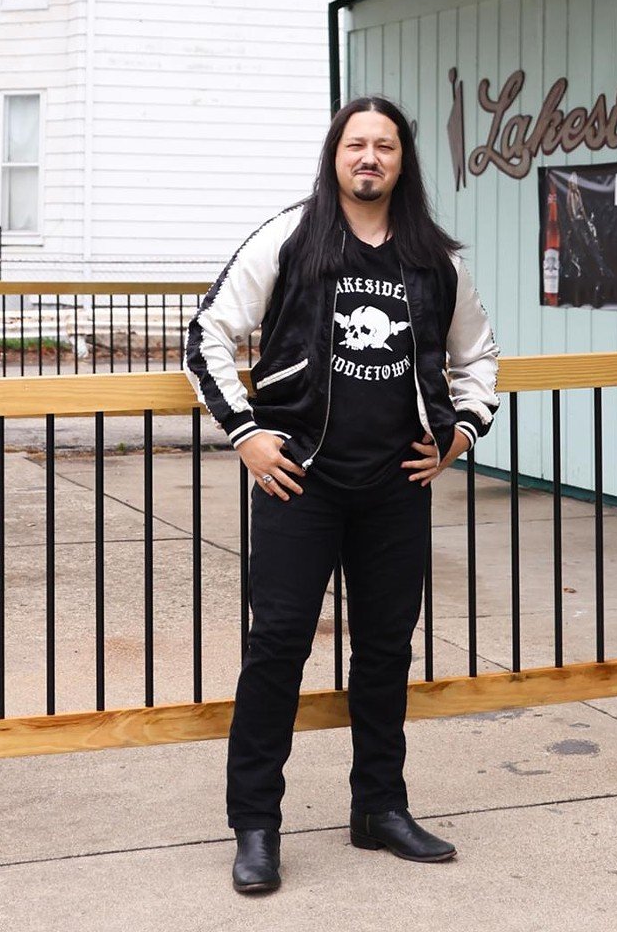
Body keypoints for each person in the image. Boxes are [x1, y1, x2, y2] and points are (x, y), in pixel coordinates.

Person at [184, 96, 500, 896]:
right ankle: (256, 825)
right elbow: (207, 335)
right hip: (301, 481)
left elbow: (480, 358)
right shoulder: (291, 236)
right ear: (335, 155)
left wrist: (459, 435)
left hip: (396, 484)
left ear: (402, 161)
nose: (370, 157)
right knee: (277, 650)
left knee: (388, 651)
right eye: (356, 144)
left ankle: (379, 809)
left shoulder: (436, 259)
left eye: (384, 146)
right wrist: (247, 433)